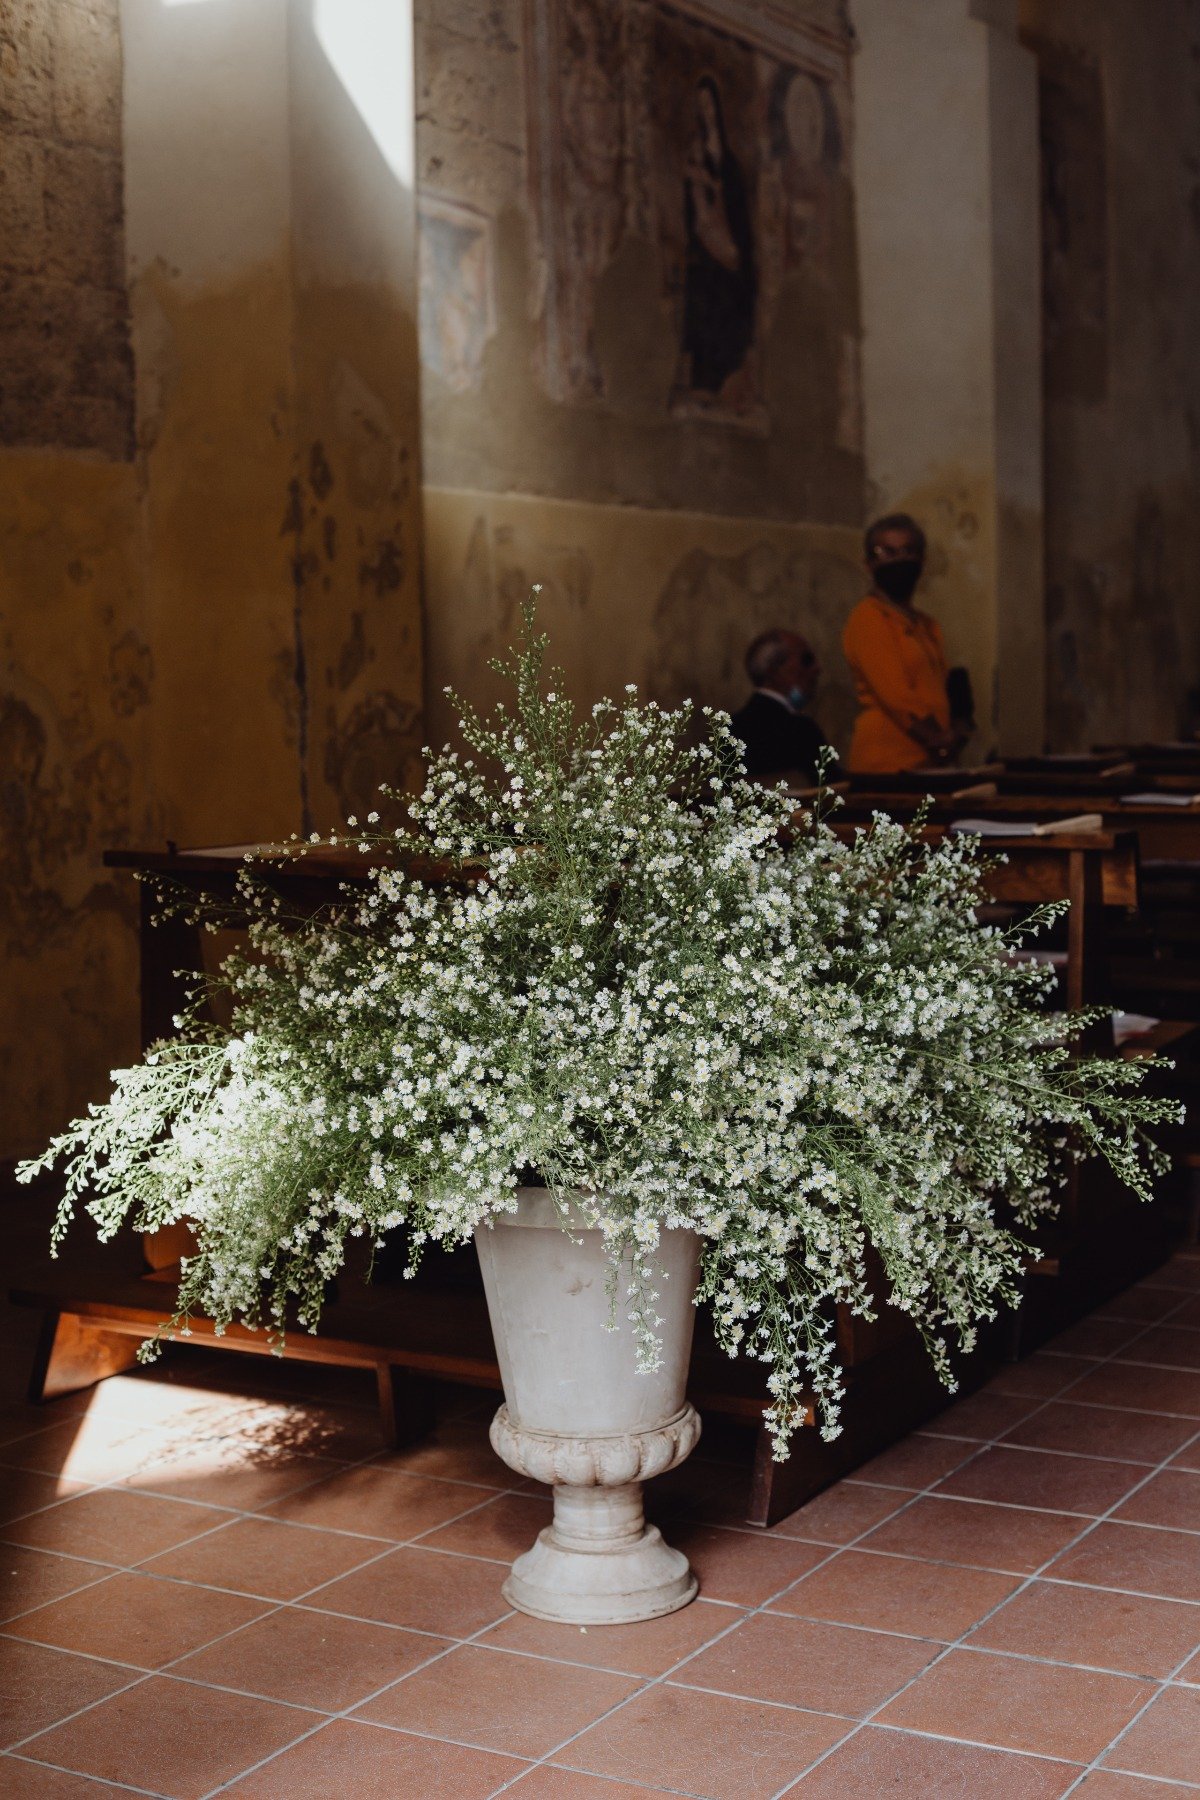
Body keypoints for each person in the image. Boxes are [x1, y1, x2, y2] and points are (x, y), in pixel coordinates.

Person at [842, 513, 969, 773]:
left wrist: (955, 731)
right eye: (887, 552)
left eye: (908, 551)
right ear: (869, 563)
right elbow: (895, 695)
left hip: (926, 761)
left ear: (921, 560)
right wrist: (937, 739)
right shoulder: (869, 617)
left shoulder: (925, 624)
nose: (899, 560)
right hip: (887, 763)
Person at [729, 628, 836, 786]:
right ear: (774, 671)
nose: (817, 668)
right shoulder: (801, 730)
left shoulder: (728, 728)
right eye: (807, 660)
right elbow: (833, 788)